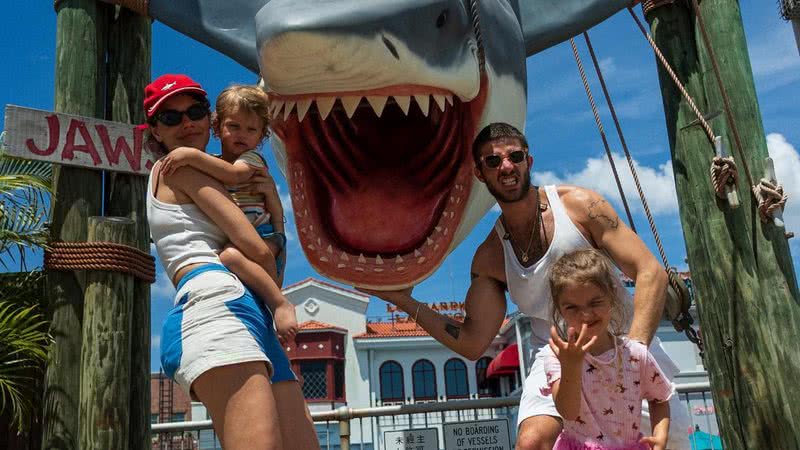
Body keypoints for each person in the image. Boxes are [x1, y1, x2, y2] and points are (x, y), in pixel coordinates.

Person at [362, 123, 689, 450]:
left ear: (528, 162)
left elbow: (650, 271)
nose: (506, 166)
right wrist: (402, 301)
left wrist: (633, 352)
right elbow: (474, 342)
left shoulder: (580, 207)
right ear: (480, 173)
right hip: (556, 355)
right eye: (493, 161)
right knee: (531, 442)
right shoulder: (490, 257)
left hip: (621, 346)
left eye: (514, 156)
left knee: (666, 444)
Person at [145, 74, 319, 450]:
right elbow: (253, 246)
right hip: (216, 306)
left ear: (210, 120)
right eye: (170, 118)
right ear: (155, 132)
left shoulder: (210, 167)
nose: (186, 123)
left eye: (193, 111)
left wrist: (272, 208)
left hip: (249, 309)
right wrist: (275, 225)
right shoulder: (183, 167)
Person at [158, 83, 296, 343]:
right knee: (236, 262)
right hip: (252, 236)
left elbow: (233, 177)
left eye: (251, 129)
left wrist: (188, 155)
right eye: (234, 126)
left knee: (230, 256)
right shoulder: (212, 162)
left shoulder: (251, 160)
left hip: (263, 232)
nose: (242, 134)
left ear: (261, 136)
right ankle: (270, 309)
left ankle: (280, 303)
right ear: (217, 127)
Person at [543, 249, 671, 450]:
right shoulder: (559, 356)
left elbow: (660, 399)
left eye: (595, 302)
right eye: (572, 307)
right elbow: (567, 411)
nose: (585, 314)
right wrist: (571, 366)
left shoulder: (636, 354)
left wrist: (660, 437)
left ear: (611, 297)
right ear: (560, 310)